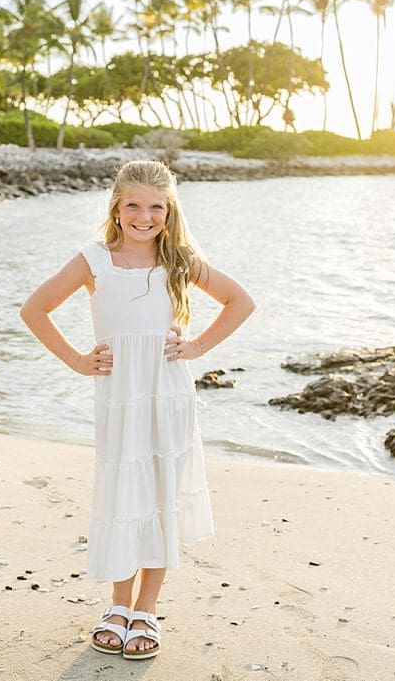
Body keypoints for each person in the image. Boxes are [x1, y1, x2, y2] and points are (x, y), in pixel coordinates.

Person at [19, 160, 255, 660]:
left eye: (155, 207)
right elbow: (34, 309)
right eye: (133, 205)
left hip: (168, 395)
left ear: (169, 212)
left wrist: (196, 347)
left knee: (161, 494)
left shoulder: (180, 260)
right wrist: (77, 361)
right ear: (116, 208)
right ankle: (118, 605)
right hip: (119, 397)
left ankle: (146, 609)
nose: (144, 217)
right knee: (124, 493)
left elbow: (240, 301)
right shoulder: (94, 260)